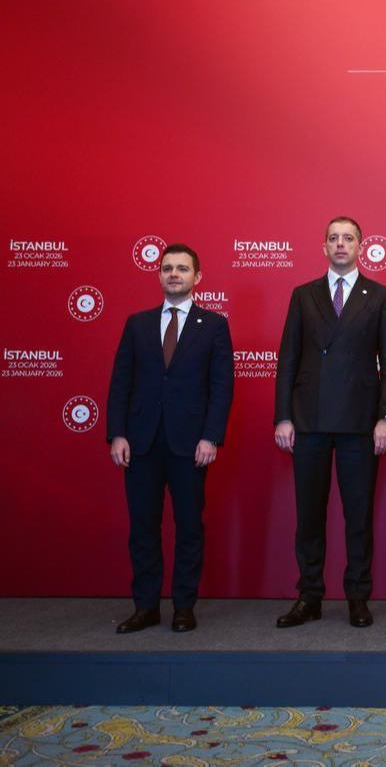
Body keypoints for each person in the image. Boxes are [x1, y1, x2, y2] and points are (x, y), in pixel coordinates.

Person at [273, 216, 386, 628]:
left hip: (360, 423)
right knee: (310, 515)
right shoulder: (303, 294)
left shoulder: (380, 296)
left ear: (361, 246)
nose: (341, 244)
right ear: (324, 247)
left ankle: (357, 598)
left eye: (348, 238)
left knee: (358, 514)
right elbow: (288, 359)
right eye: (334, 238)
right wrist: (283, 416)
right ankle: (309, 596)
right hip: (309, 419)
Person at [106, 243, 233, 633]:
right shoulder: (137, 324)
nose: (173, 274)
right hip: (141, 443)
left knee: (189, 526)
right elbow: (120, 383)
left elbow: (221, 386)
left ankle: (183, 605)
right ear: (158, 275)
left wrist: (211, 437)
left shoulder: (213, 325)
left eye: (182, 268)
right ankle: (146, 607)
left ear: (197, 277)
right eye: (167, 268)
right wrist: (117, 434)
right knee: (143, 527)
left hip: (190, 444)